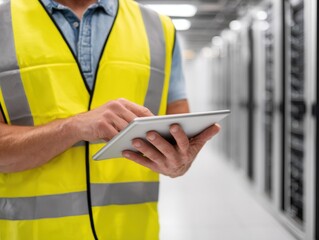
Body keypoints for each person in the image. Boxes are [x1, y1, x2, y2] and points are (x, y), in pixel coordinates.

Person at [0, 0, 220, 239]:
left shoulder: (159, 28)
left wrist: (179, 160)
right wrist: (74, 127)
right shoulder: (4, 23)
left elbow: (178, 125)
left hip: (132, 231)